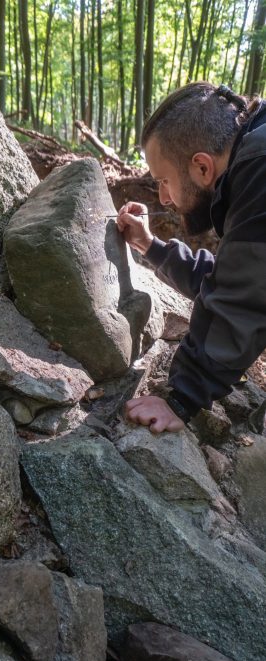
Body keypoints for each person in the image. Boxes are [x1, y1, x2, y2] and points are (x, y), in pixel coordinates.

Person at [116, 82, 266, 434]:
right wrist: (150, 246)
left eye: (164, 180)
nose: (164, 199)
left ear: (201, 167)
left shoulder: (260, 172)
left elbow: (243, 300)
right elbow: (238, 278)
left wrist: (181, 398)